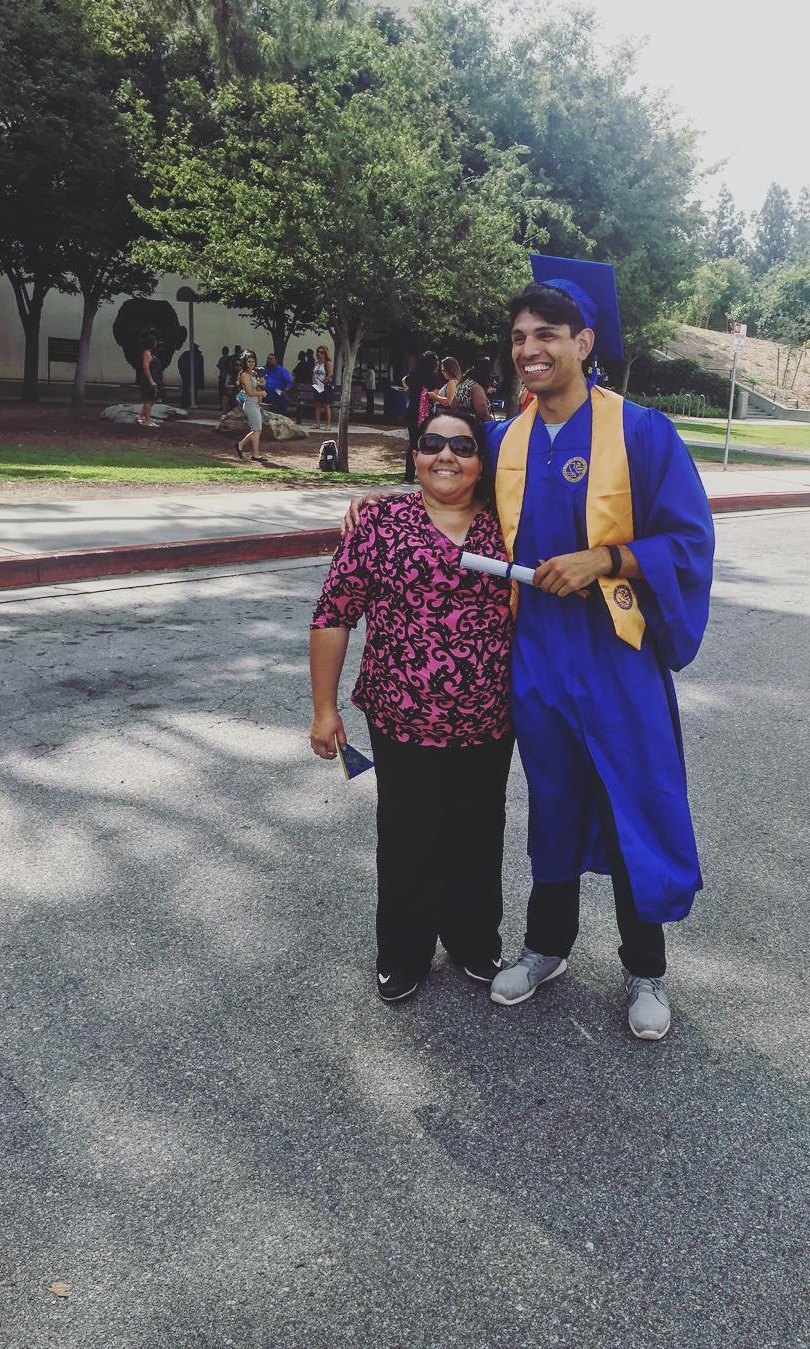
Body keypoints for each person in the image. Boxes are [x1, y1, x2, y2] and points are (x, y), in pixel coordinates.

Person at [344, 256, 714, 1041]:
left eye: (546, 334)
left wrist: (605, 558)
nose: (528, 349)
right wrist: (374, 501)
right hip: (536, 654)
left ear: (584, 342)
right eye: (518, 337)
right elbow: (445, 484)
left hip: (616, 652)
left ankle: (644, 968)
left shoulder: (641, 432)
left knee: (628, 805)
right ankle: (547, 946)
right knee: (552, 801)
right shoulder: (504, 438)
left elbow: (688, 539)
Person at [309, 408, 514, 1002]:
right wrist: (325, 709)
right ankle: (404, 951)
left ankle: (475, 941)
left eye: (463, 446)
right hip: (401, 716)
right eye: (431, 443)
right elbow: (333, 614)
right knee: (408, 833)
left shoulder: (510, 522)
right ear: (414, 454)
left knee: (479, 831)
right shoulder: (379, 523)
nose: (446, 455)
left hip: (490, 717)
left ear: (483, 461)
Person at [402, 351, 440, 483]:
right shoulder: (433, 378)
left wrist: (410, 390)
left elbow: (404, 381)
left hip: (411, 413)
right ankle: (425, 475)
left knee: (413, 445)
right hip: (425, 415)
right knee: (426, 445)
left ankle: (408, 476)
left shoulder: (414, 374)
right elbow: (434, 395)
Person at [234, 350, 266, 461]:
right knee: (257, 430)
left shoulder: (252, 374)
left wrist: (261, 383)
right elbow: (249, 392)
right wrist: (262, 393)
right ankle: (256, 455)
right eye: (249, 361)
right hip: (249, 404)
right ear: (244, 362)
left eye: (253, 361)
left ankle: (240, 445)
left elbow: (257, 386)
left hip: (255, 404)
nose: (251, 363)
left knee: (257, 430)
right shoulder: (244, 375)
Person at [452, 355, 495, 421]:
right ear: (486, 374)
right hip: (473, 427)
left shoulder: (464, 382)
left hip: (460, 423)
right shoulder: (476, 388)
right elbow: (483, 414)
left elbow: (453, 405)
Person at [136, 335, 165, 427]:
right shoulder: (146, 353)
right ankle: (147, 420)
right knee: (149, 400)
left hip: (154, 379)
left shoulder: (151, 353)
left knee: (152, 400)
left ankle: (140, 415)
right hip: (148, 380)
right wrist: (151, 381)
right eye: (155, 341)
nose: (156, 343)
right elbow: (146, 368)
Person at [311, 346, 333, 430]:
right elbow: (314, 374)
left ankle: (328, 424)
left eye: (322, 352)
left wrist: (322, 383)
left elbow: (329, 375)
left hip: (325, 385)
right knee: (317, 404)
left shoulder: (327, 363)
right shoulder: (317, 363)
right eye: (318, 352)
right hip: (316, 385)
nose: (319, 354)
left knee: (326, 405)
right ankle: (317, 423)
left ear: (325, 354)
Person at [177, 343, 205, 408]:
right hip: (191, 375)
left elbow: (180, 363)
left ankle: (186, 403)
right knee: (191, 390)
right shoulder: (197, 355)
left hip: (189, 375)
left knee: (187, 389)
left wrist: (182, 372)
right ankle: (189, 402)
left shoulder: (187, 354)